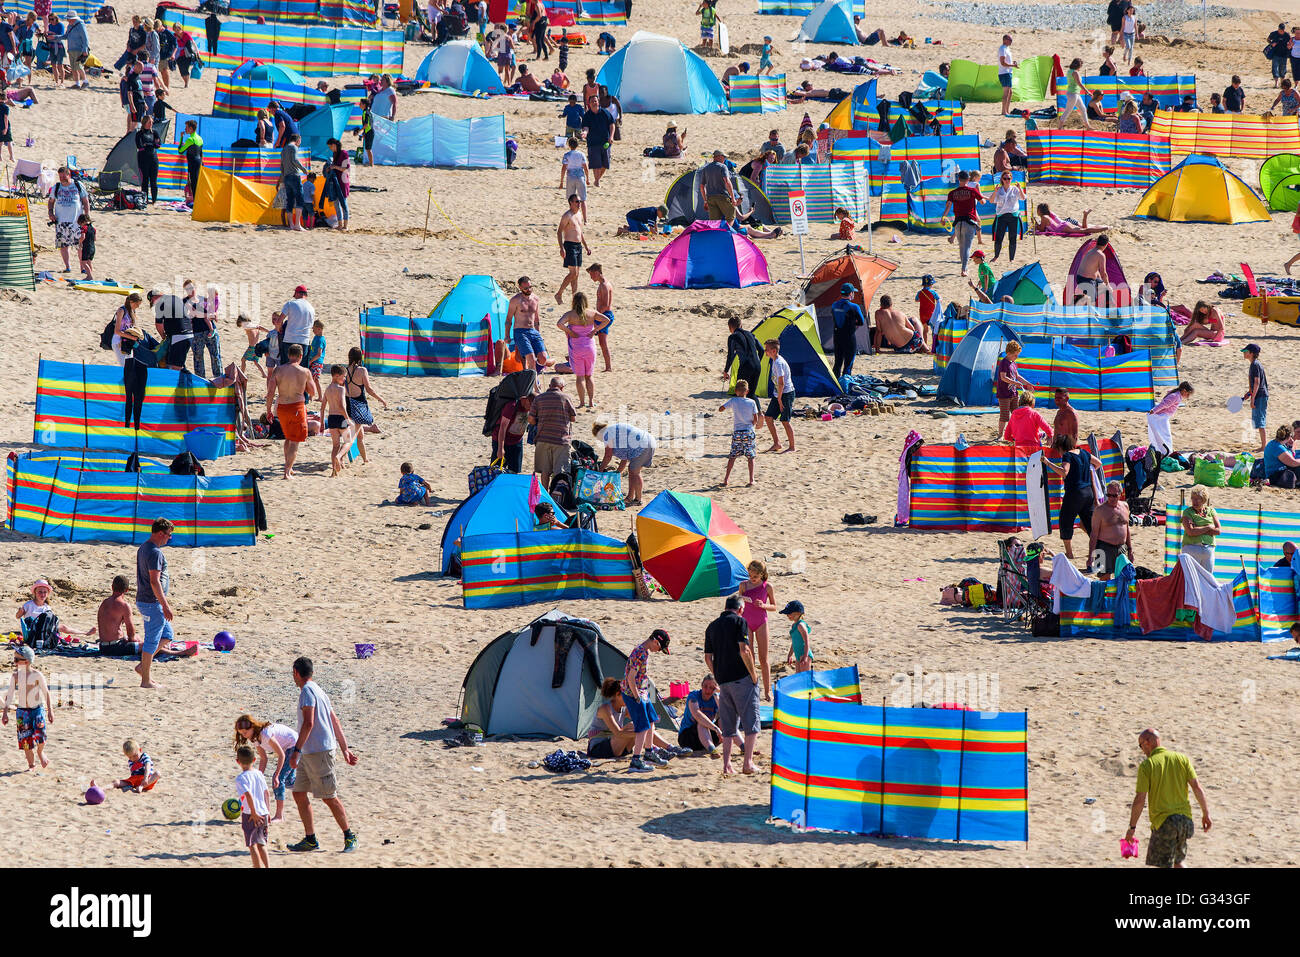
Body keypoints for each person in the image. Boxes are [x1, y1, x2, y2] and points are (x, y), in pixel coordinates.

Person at [287, 656, 359, 853]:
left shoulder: (307, 692)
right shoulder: (318, 689)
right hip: (309, 752)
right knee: (299, 793)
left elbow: (309, 723)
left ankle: (349, 836)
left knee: (329, 796)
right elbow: (335, 720)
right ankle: (310, 839)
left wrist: (296, 751)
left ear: (296, 672)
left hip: (318, 751)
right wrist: (345, 748)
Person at [1127, 729, 1211, 868]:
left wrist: (1132, 827)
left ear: (1147, 743)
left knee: (1163, 864)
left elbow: (1140, 799)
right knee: (1178, 861)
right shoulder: (1181, 758)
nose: (1142, 751)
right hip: (1185, 820)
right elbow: (1197, 787)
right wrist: (1206, 814)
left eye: (1140, 746)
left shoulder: (1148, 765)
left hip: (1164, 822)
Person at [704, 596, 760, 776]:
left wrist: (718, 674)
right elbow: (744, 650)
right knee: (751, 722)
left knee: (728, 726)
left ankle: (727, 765)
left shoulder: (712, 626)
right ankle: (748, 763)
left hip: (723, 681)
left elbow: (707, 657)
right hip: (741, 677)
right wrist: (753, 674)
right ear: (740, 609)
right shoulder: (740, 622)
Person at [587, 677, 687, 762]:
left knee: (637, 724)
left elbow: (641, 720)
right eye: (626, 694)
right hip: (599, 749)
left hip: (619, 748)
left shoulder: (624, 708)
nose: (629, 697)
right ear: (618, 695)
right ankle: (654, 749)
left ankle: (669, 747)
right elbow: (618, 733)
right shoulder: (605, 709)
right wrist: (641, 734)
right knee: (639, 729)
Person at [1042, 434, 1101, 560]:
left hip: (1074, 493)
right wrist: (1087, 471)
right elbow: (1098, 463)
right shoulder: (1084, 453)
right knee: (1089, 523)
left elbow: (1064, 472)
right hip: (1088, 492)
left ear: (1062, 447)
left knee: (1065, 522)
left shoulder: (1067, 455)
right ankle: (1098, 549)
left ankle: (1069, 553)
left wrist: (1048, 463)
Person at [622, 629, 671, 772]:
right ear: (655, 641)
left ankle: (649, 753)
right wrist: (637, 698)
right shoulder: (641, 653)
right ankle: (636, 761)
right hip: (633, 694)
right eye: (659, 647)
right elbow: (631, 678)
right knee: (642, 726)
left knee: (651, 720)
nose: (658, 651)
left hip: (642, 692)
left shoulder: (644, 651)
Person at [234, 714, 298, 824]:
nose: (244, 736)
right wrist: (257, 776)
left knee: (279, 779)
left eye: (245, 732)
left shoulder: (265, 734)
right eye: (241, 734)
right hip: (287, 748)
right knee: (289, 782)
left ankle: (279, 816)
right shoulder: (254, 738)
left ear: (252, 727)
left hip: (294, 745)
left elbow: (281, 755)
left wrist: (277, 775)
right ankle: (313, 785)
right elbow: (264, 758)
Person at [135, 518, 175, 689]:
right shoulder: (154, 552)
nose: (169, 538)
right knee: (151, 640)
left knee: (167, 635)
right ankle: (146, 680)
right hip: (151, 602)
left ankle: (143, 667)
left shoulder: (144, 546)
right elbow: (154, 581)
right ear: (160, 533)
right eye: (168, 535)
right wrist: (165, 605)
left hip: (147, 601)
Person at [1, 644, 51, 770]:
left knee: (41, 737)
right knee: (25, 741)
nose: (14, 662)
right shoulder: (15, 676)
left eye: (17, 660)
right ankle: (31, 765)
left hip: (37, 709)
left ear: (27, 661)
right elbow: (10, 695)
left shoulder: (37, 675)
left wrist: (50, 711)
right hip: (22, 712)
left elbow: (46, 693)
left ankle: (40, 752)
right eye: (14, 659)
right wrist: (5, 712)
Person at [558, 293, 608, 408]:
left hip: (576, 347)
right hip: (589, 346)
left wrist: (570, 332)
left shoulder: (570, 314)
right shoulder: (591, 313)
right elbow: (606, 320)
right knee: (589, 376)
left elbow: (559, 324)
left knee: (580, 377)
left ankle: (581, 403)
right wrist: (595, 330)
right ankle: (591, 402)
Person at [593, 420, 656, 505]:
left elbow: (608, 456)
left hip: (642, 445)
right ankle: (630, 498)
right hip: (649, 441)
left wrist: (600, 471)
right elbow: (624, 458)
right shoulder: (614, 430)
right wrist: (617, 472)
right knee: (633, 471)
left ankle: (637, 499)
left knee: (635, 472)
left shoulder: (607, 434)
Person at [529, 377, 576, 481]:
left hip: (542, 438)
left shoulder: (539, 398)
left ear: (550, 386)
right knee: (560, 472)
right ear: (562, 387)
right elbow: (573, 418)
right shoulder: (566, 398)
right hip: (561, 440)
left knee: (545, 472)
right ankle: (556, 496)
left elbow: (531, 419)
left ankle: (545, 496)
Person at [47, 167, 89, 274]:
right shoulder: (56, 187)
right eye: (60, 177)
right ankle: (68, 267)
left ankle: (82, 267)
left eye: (63, 176)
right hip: (61, 222)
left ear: (68, 174)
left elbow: (85, 201)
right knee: (63, 245)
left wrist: (87, 216)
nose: (62, 179)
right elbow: (51, 201)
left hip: (76, 221)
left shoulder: (78, 185)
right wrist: (50, 213)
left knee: (79, 245)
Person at [344, 347, 386, 454]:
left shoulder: (344, 370)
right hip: (359, 404)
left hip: (348, 403)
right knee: (353, 435)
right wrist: (381, 399)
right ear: (359, 358)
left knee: (360, 434)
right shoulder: (362, 370)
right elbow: (369, 389)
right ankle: (340, 457)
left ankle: (365, 459)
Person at [942, 169, 984, 276]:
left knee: (961, 246)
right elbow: (982, 202)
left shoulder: (952, 193)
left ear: (959, 179)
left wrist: (943, 217)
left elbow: (948, 207)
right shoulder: (972, 191)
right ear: (968, 179)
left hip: (957, 222)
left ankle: (964, 267)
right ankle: (964, 269)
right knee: (967, 247)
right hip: (969, 222)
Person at [1088, 481, 1132, 581]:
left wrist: (1130, 550)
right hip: (1104, 547)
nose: (1111, 498)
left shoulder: (1125, 506)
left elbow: (1127, 529)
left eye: (1114, 495)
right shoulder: (1100, 510)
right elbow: (1094, 534)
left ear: (1120, 494)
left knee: (1122, 577)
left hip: (1122, 548)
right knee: (1104, 579)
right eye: (1109, 495)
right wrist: (1091, 555)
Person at [720, 378, 759, 487]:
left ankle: (726, 479)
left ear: (736, 391)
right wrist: (753, 424)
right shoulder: (752, 402)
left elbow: (721, 408)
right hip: (748, 432)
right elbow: (755, 418)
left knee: (732, 456)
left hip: (737, 432)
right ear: (747, 391)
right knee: (750, 456)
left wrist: (722, 408)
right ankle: (751, 480)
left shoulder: (733, 401)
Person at [761, 338, 796, 454]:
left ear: (774, 351)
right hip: (778, 394)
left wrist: (780, 400)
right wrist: (778, 397)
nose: (765, 351)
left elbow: (782, 383)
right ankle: (777, 443)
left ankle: (792, 447)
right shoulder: (775, 361)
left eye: (767, 349)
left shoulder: (779, 363)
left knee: (785, 421)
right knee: (768, 417)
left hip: (786, 394)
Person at [507, 276, 548, 371]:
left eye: (530, 287)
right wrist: (507, 336)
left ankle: (533, 374)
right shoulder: (515, 300)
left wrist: (538, 333)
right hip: (520, 331)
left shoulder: (536, 299)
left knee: (543, 358)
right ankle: (534, 383)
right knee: (531, 359)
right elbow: (508, 319)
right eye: (526, 288)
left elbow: (536, 318)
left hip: (533, 331)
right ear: (520, 288)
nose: (529, 290)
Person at [555, 194, 590, 304]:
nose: (579, 204)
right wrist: (561, 248)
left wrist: (586, 246)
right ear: (571, 203)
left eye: (579, 201)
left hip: (578, 246)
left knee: (576, 274)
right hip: (569, 245)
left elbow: (580, 232)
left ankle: (575, 299)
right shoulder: (567, 215)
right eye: (576, 202)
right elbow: (559, 231)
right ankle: (559, 293)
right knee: (573, 273)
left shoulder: (579, 214)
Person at [996, 341, 1035, 437]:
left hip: (1013, 394)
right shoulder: (1004, 363)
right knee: (1004, 416)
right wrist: (1015, 383)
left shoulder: (1013, 363)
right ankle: (1000, 435)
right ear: (1008, 353)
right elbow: (1003, 377)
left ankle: (1016, 434)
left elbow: (1017, 376)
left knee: (1017, 414)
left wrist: (1027, 383)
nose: (1016, 357)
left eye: (1017, 355)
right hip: (1004, 394)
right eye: (1015, 355)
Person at [677, 675, 723, 756]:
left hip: (708, 736)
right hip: (688, 738)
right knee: (702, 722)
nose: (708, 690)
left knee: (724, 719)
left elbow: (726, 713)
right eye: (705, 686)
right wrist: (716, 728)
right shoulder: (693, 696)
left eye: (711, 687)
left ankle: (743, 747)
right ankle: (713, 751)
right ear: (701, 685)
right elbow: (697, 714)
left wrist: (717, 695)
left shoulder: (715, 698)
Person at [1180, 485, 1220, 575]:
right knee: (1191, 578)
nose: (1195, 501)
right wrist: (1208, 527)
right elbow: (1190, 532)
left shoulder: (1211, 511)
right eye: (1193, 498)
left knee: (1208, 580)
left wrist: (1198, 528)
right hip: (1191, 548)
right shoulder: (1187, 512)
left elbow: (1218, 531)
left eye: (1198, 499)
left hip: (1208, 550)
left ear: (1204, 500)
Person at [829, 282, 866, 379]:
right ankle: (845, 385)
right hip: (849, 337)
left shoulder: (834, 305)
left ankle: (835, 385)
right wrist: (854, 323)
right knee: (848, 364)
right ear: (850, 294)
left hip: (837, 337)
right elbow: (861, 322)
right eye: (853, 292)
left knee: (837, 363)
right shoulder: (854, 307)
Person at [320, 364, 351, 476]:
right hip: (341, 418)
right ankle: (339, 456)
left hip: (331, 419)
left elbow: (322, 407)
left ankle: (334, 471)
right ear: (336, 376)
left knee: (335, 446)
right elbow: (342, 406)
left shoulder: (328, 389)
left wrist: (322, 423)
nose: (344, 379)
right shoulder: (341, 389)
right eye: (343, 377)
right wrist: (348, 419)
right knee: (348, 441)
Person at [1147, 381, 1193, 455]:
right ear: (1184, 390)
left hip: (1164, 416)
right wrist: (1154, 410)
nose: (1188, 396)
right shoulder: (1175, 396)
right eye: (1188, 394)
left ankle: (1164, 450)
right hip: (1161, 417)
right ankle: (1165, 451)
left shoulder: (1177, 395)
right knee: (1165, 435)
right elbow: (1164, 404)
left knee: (1164, 434)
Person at [584, 262, 614, 372]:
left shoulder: (604, 286)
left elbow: (605, 305)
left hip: (605, 315)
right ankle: (607, 367)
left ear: (597, 273)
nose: (591, 277)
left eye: (592, 274)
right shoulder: (603, 284)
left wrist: (595, 316)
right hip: (604, 315)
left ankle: (608, 367)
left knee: (600, 340)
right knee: (601, 342)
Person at [96, 575, 137, 651]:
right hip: (116, 647)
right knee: (147, 647)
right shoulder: (124, 605)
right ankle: (166, 652)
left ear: (112, 587)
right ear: (127, 590)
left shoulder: (104, 603)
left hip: (103, 647)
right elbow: (131, 632)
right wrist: (130, 640)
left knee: (138, 639)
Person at [492, 391, 529, 474]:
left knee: (515, 472)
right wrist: (500, 448)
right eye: (530, 404)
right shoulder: (512, 406)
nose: (530, 408)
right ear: (524, 399)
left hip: (517, 442)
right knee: (497, 472)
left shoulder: (532, 406)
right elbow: (502, 427)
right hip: (502, 441)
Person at [581, 97, 614, 186]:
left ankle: (597, 179)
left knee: (605, 164)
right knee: (596, 164)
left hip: (605, 142)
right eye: (592, 102)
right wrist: (585, 133)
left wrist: (611, 136)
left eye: (595, 101)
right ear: (589, 104)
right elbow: (586, 127)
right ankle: (597, 181)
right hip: (593, 143)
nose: (594, 103)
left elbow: (612, 125)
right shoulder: (587, 115)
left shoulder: (605, 113)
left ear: (598, 102)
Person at [1242, 343, 1269, 452]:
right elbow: (1256, 383)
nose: (1244, 353)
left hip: (1260, 396)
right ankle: (1263, 445)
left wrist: (1253, 398)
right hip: (1260, 395)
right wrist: (1249, 393)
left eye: (1246, 351)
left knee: (1260, 422)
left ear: (1251, 353)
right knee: (1259, 421)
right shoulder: (1255, 364)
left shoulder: (1255, 365)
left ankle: (1264, 446)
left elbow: (1257, 382)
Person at [700, 150, 736, 223]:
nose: (725, 159)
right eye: (724, 157)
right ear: (719, 157)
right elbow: (727, 181)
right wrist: (733, 198)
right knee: (731, 216)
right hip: (722, 196)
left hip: (710, 197)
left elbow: (702, 186)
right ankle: (726, 233)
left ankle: (716, 234)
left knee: (714, 222)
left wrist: (705, 200)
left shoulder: (705, 168)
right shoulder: (722, 166)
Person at [323, 138, 351, 232]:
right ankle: (340, 224)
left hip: (343, 182)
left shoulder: (344, 153)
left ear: (334, 145)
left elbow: (347, 169)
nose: (330, 148)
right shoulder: (335, 154)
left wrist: (334, 167)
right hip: (335, 182)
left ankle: (345, 225)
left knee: (343, 203)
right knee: (336, 203)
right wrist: (330, 169)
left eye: (330, 146)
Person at [1057, 58, 1093, 130]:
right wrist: (1087, 92)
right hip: (1073, 94)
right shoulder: (1075, 72)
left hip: (1074, 93)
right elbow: (1079, 83)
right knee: (1068, 111)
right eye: (1081, 65)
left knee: (1083, 109)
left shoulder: (1070, 71)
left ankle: (1088, 126)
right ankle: (1059, 127)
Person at [559, 136, 588, 223]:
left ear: (569, 145)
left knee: (571, 200)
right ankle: (585, 220)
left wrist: (561, 182)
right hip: (580, 177)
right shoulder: (581, 154)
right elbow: (585, 167)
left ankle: (572, 218)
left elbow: (563, 168)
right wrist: (587, 178)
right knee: (583, 199)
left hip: (571, 177)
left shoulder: (567, 155)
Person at [179, 119, 203, 202]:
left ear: (191, 129)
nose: (185, 129)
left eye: (187, 127)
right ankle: (197, 202)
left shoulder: (190, 139)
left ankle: (195, 203)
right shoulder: (200, 138)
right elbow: (201, 153)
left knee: (193, 183)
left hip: (192, 162)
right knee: (197, 182)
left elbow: (180, 151)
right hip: (199, 162)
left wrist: (181, 138)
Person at [995, 34, 1015, 116]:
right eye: (1010, 39)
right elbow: (1002, 63)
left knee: (1010, 92)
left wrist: (1012, 64)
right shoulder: (1002, 49)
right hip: (1004, 73)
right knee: (1006, 92)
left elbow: (1006, 61)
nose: (1011, 41)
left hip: (1008, 72)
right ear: (1005, 40)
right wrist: (1012, 65)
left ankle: (1007, 110)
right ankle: (1003, 111)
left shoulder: (1007, 48)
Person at [1269, 22, 1290, 88]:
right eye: (1279, 29)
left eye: (1282, 30)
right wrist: (1271, 44)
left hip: (1284, 55)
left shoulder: (1287, 35)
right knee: (1275, 69)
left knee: (1283, 69)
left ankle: (1282, 83)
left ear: (1284, 30)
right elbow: (1268, 39)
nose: (1280, 31)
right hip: (1275, 54)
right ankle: (1276, 84)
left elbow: (1290, 43)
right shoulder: (1274, 34)